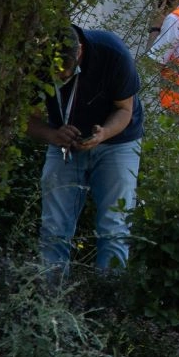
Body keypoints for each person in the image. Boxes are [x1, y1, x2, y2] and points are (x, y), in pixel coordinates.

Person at [27, 24, 144, 272]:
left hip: (117, 142)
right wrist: (52, 134)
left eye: (64, 72)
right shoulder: (37, 60)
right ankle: (51, 302)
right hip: (64, 143)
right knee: (54, 227)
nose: (59, 77)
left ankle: (108, 301)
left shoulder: (112, 52)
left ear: (79, 51)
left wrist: (104, 134)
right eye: (54, 72)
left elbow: (125, 110)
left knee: (114, 226)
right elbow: (25, 118)